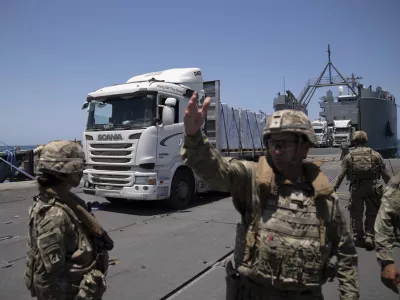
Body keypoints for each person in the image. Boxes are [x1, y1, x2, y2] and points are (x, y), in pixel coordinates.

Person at [181, 92, 359, 300]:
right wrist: (194, 137)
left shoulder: (323, 197)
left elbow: (346, 254)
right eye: (272, 143)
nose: (276, 151)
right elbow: (217, 171)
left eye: (284, 143)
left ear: (304, 146)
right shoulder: (253, 178)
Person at [24, 140, 114, 300]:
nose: (80, 171)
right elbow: (44, 279)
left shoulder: (68, 201)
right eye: (77, 166)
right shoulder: (55, 215)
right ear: (62, 171)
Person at [333, 130, 390, 250]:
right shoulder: (375, 155)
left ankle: (359, 237)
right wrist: (393, 188)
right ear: (366, 140)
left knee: (356, 213)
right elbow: (385, 174)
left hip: (356, 188)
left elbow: (341, 175)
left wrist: (333, 188)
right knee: (372, 212)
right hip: (373, 188)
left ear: (354, 142)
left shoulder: (349, 157)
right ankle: (370, 235)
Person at [374, 170, 400, 294]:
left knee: (358, 213)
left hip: (359, 188)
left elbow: (385, 215)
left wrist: (386, 261)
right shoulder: (375, 155)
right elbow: (383, 171)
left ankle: (363, 234)